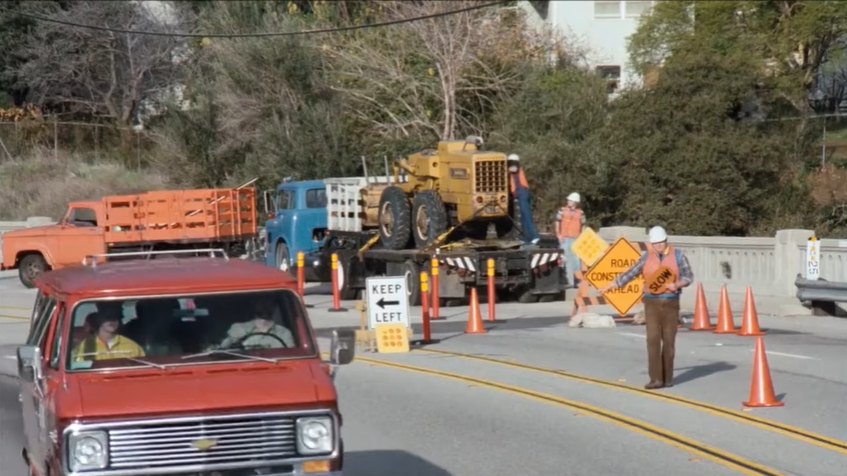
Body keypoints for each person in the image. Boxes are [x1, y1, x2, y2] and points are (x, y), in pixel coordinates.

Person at [600, 226, 693, 389]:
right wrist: (612, 285)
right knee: (653, 340)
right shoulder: (646, 258)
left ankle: (668, 378)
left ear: (666, 241)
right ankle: (656, 379)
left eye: (661, 242)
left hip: (671, 302)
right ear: (651, 244)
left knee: (669, 341)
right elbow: (631, 273)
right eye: (655, 243)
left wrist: (677, 284)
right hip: (651, 302)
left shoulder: (678, 256)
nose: (659, 246)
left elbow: (688, 276)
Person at [72, 309, 145, 362]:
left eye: (115, 317)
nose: (112, 321)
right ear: (99, 320)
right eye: (108, 317)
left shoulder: (132, 346)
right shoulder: (86, 346)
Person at [219, 299, 295, 349]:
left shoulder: (284, 332)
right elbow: (223, 350)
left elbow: (291, 357)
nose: (264, 305)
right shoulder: (238, 327)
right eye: (261, 301)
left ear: (274, 305)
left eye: (268, 300)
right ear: (254, 303)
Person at [507, 154, 540, 245]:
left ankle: (534, 236)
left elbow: (513, 169)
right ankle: (526, 237)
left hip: (522, 192)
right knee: (523, 217)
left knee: (526, 215)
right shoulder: (514, 169)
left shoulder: (515, 168)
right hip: (520, 193)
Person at [556, 192, 586, 285]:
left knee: (575, 261)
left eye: (570, 200)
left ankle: (576, 280)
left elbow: (583, 225)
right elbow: (557, 222)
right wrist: (558, 235)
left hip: (575, 239)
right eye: (568, 200)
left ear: (575, 202)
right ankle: (563, 280)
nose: (568, 201)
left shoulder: (580, 213)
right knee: (563, 259)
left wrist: (581, 238)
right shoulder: (562, 210)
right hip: (564, 238)